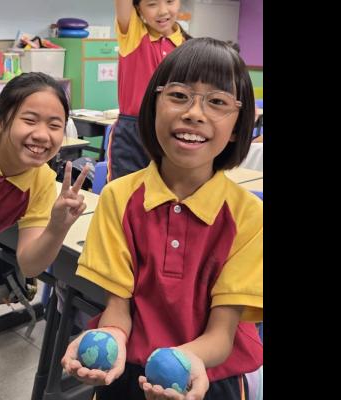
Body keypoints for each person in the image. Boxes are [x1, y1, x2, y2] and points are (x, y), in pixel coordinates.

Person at [62, 38, 262, 400]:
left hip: (208, 375)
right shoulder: (118, 198)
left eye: (217, 102)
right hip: (126, 371)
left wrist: (186, 360)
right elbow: (118, 308)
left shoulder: (249, 216)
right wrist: (111, 336)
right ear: (154, 106)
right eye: (179, 95)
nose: (194, 113)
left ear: (237, 126)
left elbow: (222, 334)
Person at [0, 72, 89, 399]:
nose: (42, 135)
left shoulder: (40, 183)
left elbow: (29, 265)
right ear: (1, 121)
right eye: (30, 120)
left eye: (55, 125)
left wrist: (58, 226)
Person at [107, 0, 191, 181]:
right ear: (138, 8)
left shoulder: (188, 47)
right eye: (152, 4)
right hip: (133, 132)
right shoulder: (134, 35)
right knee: (125, 192)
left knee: (169, 192)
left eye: (170, 1)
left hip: (174, 129)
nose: (163, 11)